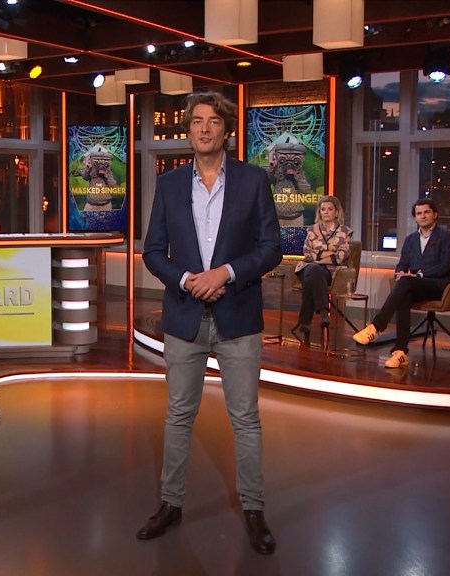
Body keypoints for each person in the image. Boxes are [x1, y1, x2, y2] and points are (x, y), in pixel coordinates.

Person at [139, 91, 282, 555]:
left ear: (227, 130)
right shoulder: (169, 184)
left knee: (246, 418)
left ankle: (254, 510)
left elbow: (271, 248)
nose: (204, 128)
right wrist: (187, 280)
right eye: (197, 121)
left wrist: (226, 273)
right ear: (188, 131)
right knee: (179, 415)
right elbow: (153, 251)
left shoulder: (253, 180)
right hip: (185, 317)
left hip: (237, 316)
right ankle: (170, 503)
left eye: (213, 121)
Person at [352, 198, 450, 368]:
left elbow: (446, 266)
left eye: (426, 212)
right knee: (405, 293)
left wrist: (419, 274)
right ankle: (401, 352)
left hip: (439, 286)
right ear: (415, 218)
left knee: (407, 282)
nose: (423, 216)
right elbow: (402, 264)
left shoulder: (447, 236)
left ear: (435, 214)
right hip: (415, 285)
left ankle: (376, 326)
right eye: (419, 213)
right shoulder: (410, 240)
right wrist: (400, 272)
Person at [291, 196, 353, 343]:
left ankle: (305, 322)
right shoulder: (312, 230)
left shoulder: (345, 231)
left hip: (330, 273)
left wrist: (318, 257)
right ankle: (324, 312)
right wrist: (329, 254)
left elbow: (341, 257)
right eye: (323, 209)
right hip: (307, 268)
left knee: (314, 273)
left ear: (336, 212)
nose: (326, 212)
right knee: (313, 269)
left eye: (330, 209)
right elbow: (307, 254)